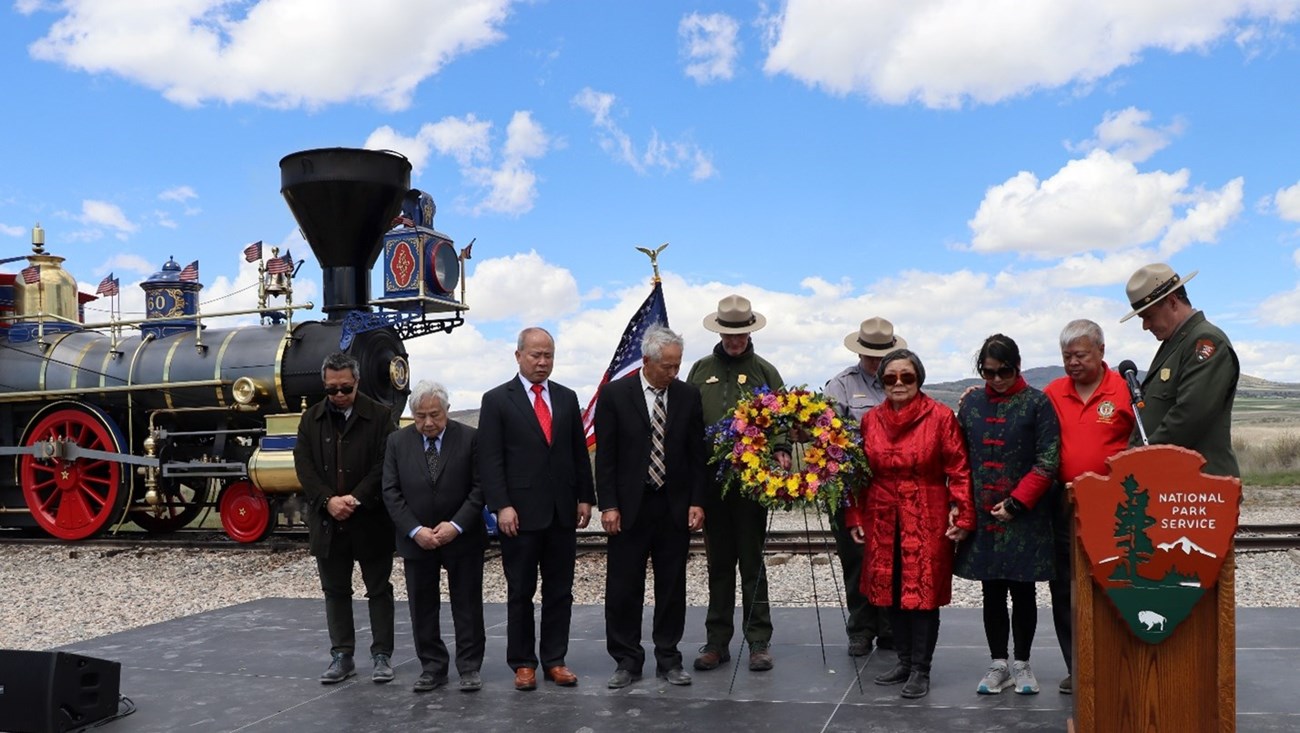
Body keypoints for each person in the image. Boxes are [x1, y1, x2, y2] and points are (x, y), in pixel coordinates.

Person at [847, 349, 975, 699]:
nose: (899, 383)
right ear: (882, 381)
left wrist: (963, 513)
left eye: (907, 377)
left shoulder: (941, 417)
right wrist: (854, 515)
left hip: (926, 511)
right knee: (889, 589)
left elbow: (959, 470)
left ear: (919, 379)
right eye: (891, 378)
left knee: (922, 593)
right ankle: (903, 660)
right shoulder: (871, 420)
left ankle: (921, 668)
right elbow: (858, 474)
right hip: (882, 511)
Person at [477, 327, 596, 691]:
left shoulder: (566, 398)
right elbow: (490, 460)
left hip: (562, 513)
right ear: (518, 356)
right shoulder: (497, 400)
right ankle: (523, 663)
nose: (542, 362)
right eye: (535, 355)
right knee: (521, 592)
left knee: (560, 592)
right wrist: (501, 506)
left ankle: (555, 660)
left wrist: (585, 497)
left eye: (548, 355)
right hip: (520, 516)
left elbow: (578, 453)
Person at [596, 325, 707, 689]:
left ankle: (669, 659)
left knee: (672, 586)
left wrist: (696, 501)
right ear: (646, 361)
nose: (673, 373)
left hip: (672, 506)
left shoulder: (688, 396)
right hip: (630, 507)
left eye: (677, 366)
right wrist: (608, 505)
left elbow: (696, 455)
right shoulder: (615, 395)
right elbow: (606, 457)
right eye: (667, 367)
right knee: (624, 587)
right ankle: (627, 660)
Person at [955, 334, 1061, 696]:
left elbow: (1048, 459)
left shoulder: (1038, 403)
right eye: (988, 373)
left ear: (1018, 366)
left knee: (1025, 591)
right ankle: (998, 663)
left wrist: (1017, 503)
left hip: (1025, 515)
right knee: (992, 592)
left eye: (1004, 371)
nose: (997, 379)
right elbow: (959, 459)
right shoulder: (971, 405)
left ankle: (1023, 663)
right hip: (984, 516)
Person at [687, 294, 788, 673]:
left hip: (751, 484)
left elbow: (781, 418)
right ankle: (716, 642)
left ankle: (759, 641)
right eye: (728, 334)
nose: (734, 340)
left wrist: (779, 448)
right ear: (719, 332)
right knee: (718, 565)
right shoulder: (699, 369)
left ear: (749, 331)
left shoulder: (765, 371)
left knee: (752, 563)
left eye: (740, 333)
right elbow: (687, 420)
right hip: (711, 483)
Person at [1042, 319, 1135, 695]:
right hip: (1063, 505)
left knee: (1113, 583)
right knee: (1065, 587)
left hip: (1112, 505)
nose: (1072, 363)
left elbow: (1142, 441)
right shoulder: (1052, 392)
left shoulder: (1125, 391)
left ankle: (1117, 659)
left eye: (1080, 354)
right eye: (1066, 356)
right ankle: (1076, 667)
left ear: (1101, 351)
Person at [294, 351, 398, 685]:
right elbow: (304, 466)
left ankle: (382, 655)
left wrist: (354, 499)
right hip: (328, 522)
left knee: (379, 589)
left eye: (345, 389)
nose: (339, 396)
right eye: (332, 390)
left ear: (357, 383)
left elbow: (385, 465)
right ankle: (342, 655)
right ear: (324, 385)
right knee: (335, 591)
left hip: (370, 520)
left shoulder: (382, 417)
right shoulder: (310, 419)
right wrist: (327, 501)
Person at [381, 381, 487, 693]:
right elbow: (390, 490)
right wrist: (415, 530)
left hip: (462, 538)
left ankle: (469, 667)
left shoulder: (470, 438)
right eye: (420, 416)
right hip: (418, 542)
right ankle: (432, 667)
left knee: (467, 605)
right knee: (422, 607)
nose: (428, 423)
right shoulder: (397, 443)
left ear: (447, 411)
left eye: (435, 415)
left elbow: (480, 487)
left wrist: (456, 525)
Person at [824, 317, 902, 657]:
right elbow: (826, 437)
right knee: (856, 561)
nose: (875, 359)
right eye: (870, 353)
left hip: (891, 487)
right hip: (852, 487)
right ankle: (860, 630)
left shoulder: (899, 381)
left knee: (890, 559)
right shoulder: (840, 386)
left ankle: (889, 628)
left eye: (881, 353)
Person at [1120, 263, 1240, 477]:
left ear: (1172, 302)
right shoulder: (1176, 343)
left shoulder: (1206, 341)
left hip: (1198, 484)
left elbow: (1190, 415)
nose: (1145, 326)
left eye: (1148, 315)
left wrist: (1140, 460)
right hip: (1173, 478)